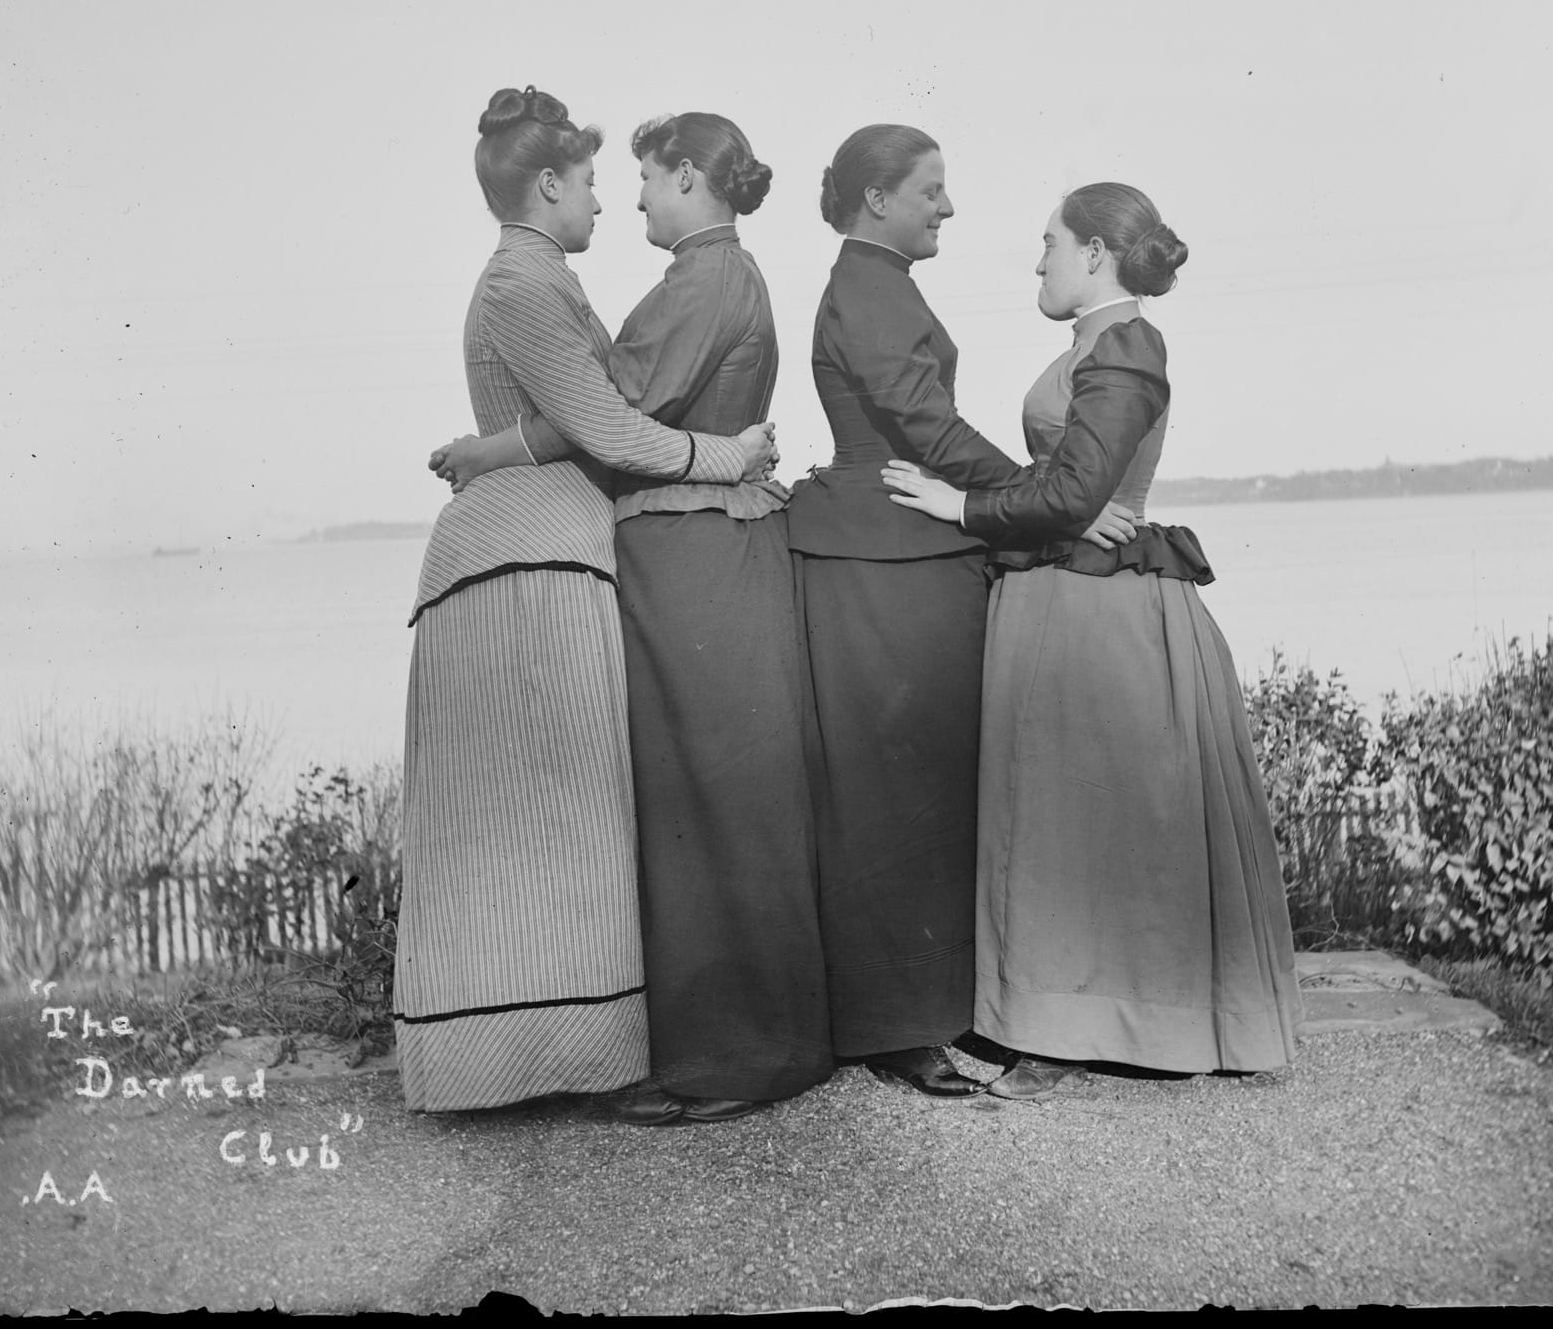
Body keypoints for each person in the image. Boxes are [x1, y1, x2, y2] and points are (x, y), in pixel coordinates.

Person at [430, 112, 832, 1125]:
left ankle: (741, 1051)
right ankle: (713, 1043)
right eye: (610, 181)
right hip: (686, 530)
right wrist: (521, 440)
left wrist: (498, 446)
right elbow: (605, 408)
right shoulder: (647, 278)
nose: (625, 198)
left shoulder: (701, 278)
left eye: (643, 179)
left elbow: (613, 409)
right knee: (690, 800)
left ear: (689, 177)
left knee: (709, 797)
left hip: (694, 537)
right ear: (553, 186)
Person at [882, 182, 1304, 1099]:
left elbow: (1075, 495)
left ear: (1095, 256)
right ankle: (1059, 1015)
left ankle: (1090, 1023)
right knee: (1075, 821)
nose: (1037, 261)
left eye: (1049, 244)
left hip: (1100, 607)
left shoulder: (1126, 343)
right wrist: (1048, 497)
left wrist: (958, 504)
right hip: (1068, 592)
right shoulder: (1097, 343)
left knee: (1089, 822)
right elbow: (1074, 484)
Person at [786, 125, 1139, 1097]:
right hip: (879, 546)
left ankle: (926, 1009)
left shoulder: (879, 284)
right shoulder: (865, 288)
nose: (946, 207)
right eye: (930, 189)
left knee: (918, 789)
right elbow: (924, 424)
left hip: (901, 541)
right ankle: (893, 1026)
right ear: (875, 198)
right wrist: (1052, 487)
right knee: (890, 793)